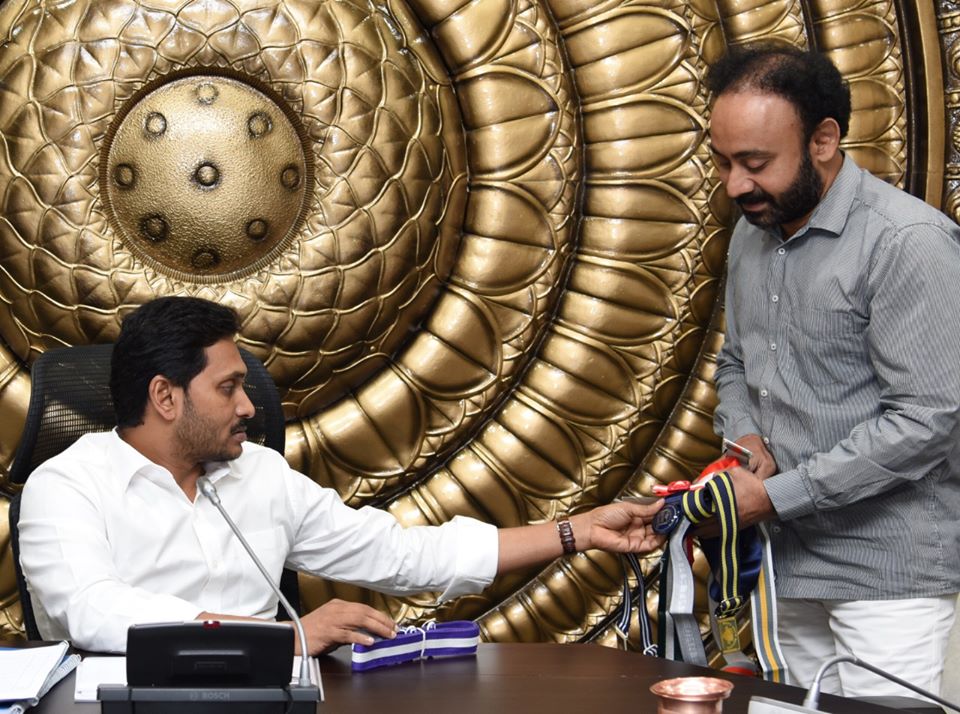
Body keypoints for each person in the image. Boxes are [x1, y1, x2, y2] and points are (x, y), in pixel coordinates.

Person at [17, 296, 664, 654]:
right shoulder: (66, 486)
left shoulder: (261, 477)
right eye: (229, 388)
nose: (249, 407)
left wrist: (577, 532)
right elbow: (93, 610)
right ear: (165, 397)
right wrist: (283, 640)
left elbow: (405, 555)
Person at [707, 44, 960, 697]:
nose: (736, 184)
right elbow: (736, 361)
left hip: (888, 579)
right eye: (724, 162)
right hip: (788, 568)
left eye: (755, 163)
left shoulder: (908, 243)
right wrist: (745, 438)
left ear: (824, 139)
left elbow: (929, 419)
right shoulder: (751, 229)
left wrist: (775, 497)